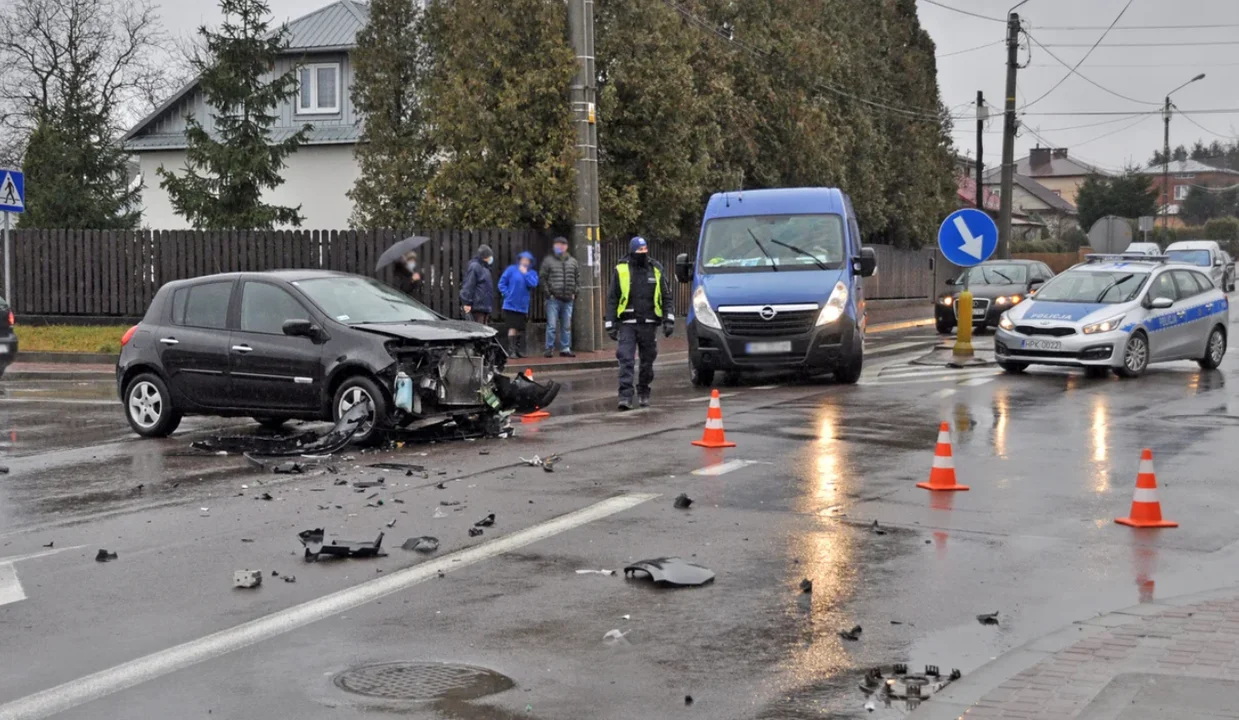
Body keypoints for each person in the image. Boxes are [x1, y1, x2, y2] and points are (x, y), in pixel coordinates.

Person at [605, 236, 674, 410]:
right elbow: (613, 298)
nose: (643, 254)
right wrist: (610, 323)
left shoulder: (656, 269)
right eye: (639, 251)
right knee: (626, 359)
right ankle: (625, 396)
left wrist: (669, 320)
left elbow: (666, 297)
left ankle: (643, 391)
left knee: (647, 362)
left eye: (645, 250)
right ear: (632, 252)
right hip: (628, 323)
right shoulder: (621, 270)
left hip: (649, 324)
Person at [540, 236, 580, 357]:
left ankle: (565, 348)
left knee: (566, 325)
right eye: (558, 244)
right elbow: (542, 278)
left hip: (568, 298)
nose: (560, 246)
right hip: (553, 298)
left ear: (566, 246)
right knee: (552, 325)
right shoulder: (548, 261)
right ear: (554, 246)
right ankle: (549, 348)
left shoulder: (573, 261)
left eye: (562, 244)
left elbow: (577, 278)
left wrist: (575, 292)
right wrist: (548, 293)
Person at [497, 251, 539, 357]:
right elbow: (501, 283)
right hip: (511, 304)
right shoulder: (511, 270)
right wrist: (507, 294)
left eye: (527, 260)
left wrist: (526, 274)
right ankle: (511, 351)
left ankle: (517, 349)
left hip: (522, 305)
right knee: (512, 326)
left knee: (520, 328)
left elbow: (533, 284)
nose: (525, 262)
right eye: (523, 259)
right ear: (519, 260)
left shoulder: (532, 273)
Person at [459, 244, 495, 324]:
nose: (491, 258)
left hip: (483, 307)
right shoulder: (475, 267)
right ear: (484, 256)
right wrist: (467, 302)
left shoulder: (485, 268)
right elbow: (468, 286)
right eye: (489, 256)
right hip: (477, 307)